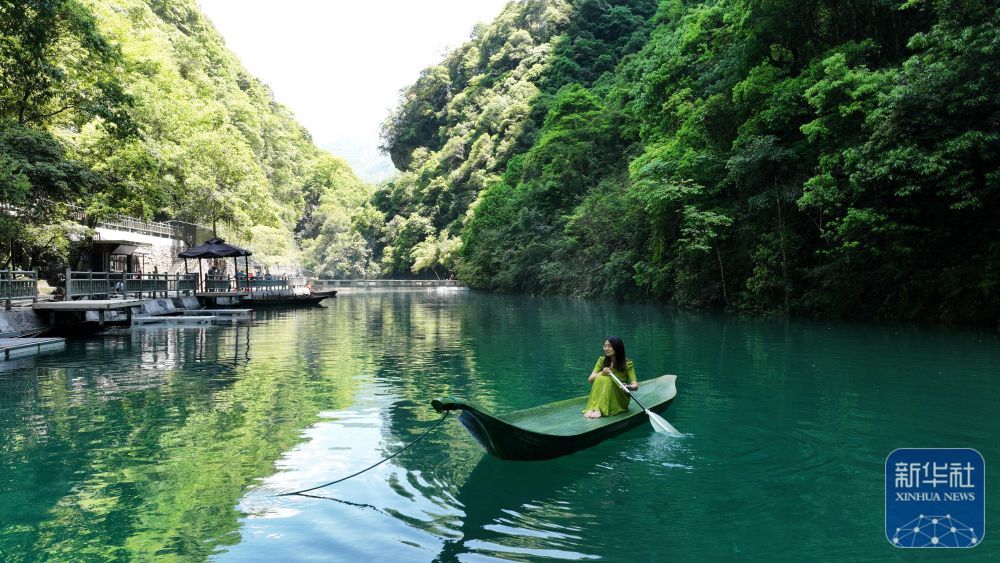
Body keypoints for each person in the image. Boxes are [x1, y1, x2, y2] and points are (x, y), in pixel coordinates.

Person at [583, 336, 638, 418]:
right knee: (602, 377)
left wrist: (627, 386)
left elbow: (635, 386)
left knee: (606, 379)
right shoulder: (602, 360)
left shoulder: (627, 364)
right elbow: (590, 380)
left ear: (617, 348)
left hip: (619, 398)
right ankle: (595, 407)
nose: (606, 348)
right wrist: (602, 372)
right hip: (603, 397)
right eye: (605, 346)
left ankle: (599, 409)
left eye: (609, 346)